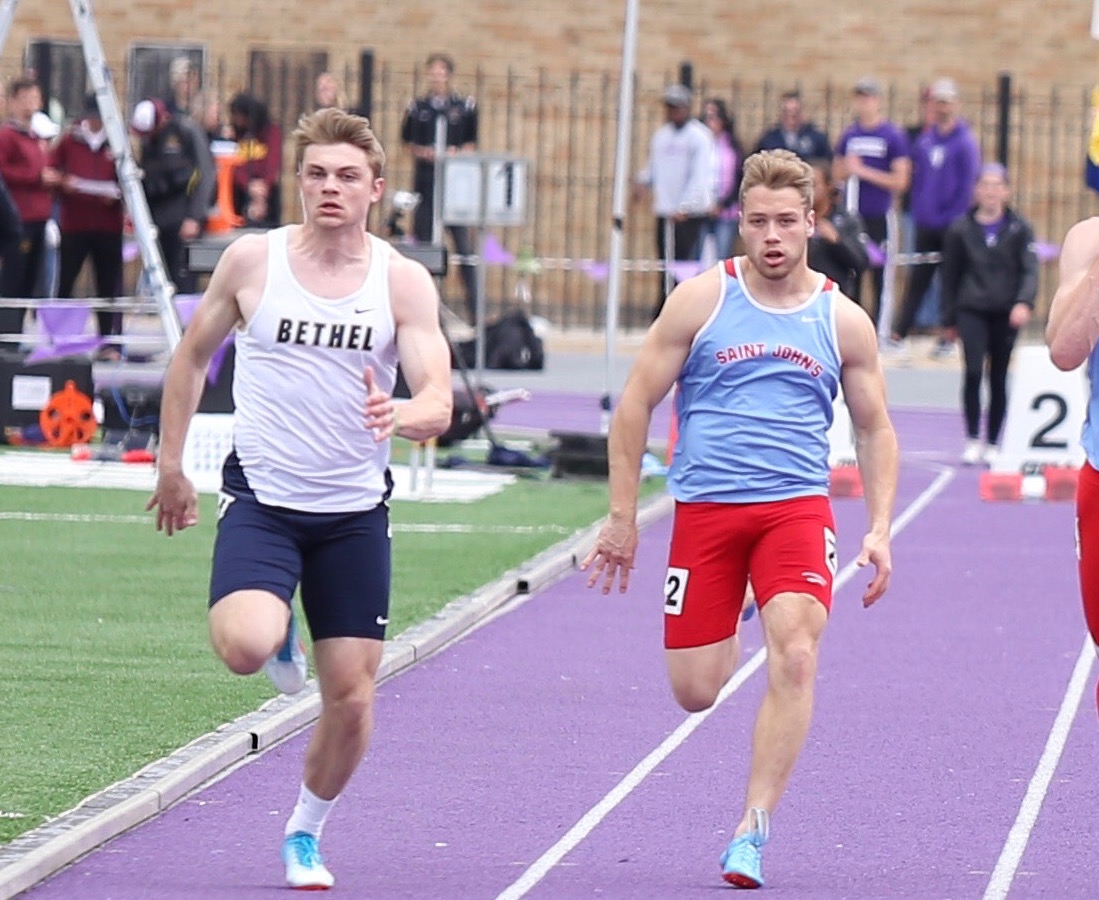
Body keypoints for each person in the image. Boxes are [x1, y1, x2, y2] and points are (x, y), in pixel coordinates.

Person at [146, 107, 454, 889]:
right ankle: (277, 623)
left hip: (353, 514)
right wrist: (171, 466)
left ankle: (304, 834)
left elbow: (439, 399)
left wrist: (402, 412)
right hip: (266, 500)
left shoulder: (400, 280)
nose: (330, 187)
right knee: (246, 645)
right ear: (299, 181)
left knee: (351, 701)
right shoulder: (254, 262)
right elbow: (189, 360)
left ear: (375, 189)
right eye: (316, 172)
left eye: (348, 175)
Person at [582, 149, 898, 889]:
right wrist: (621, 518)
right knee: (694, 691)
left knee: (794, 652)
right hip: (707, 513)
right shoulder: (700, 301)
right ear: (741, 224)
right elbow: (633, 404)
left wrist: (879, 526)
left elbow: (875, 427)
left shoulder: (842, 320)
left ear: (811, 224)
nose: (773, 237)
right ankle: (739, 599)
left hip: (794, 509)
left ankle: (751, 827)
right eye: (758, 222)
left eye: (787, 221)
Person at [941, 162, 1037, 467]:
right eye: (985, 185)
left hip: (1005, 311)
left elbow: (1029, 270)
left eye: (997, 186)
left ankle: (994, 440)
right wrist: (948, 318)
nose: (991, 192)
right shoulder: (960, 229)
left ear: (1006, 192)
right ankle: (971, 437)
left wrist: (1024, 302)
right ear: (976, 190)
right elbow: (950, 275)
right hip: (972, 308)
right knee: (972, 371)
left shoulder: (1020, 229)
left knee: (998, 376)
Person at [891, 78, 980, 353]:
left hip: (952, 224)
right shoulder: (926, 141)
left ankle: (949, 336)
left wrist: (954, 217)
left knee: (951, 281)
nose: (942, 107)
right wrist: (921, 212)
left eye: (947, 101)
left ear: (956, 104)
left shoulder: (965, 142)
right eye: (937, 102)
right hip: (926, 222)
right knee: (917, 279)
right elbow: (918, 181)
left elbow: (967, 185)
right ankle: (899, 334)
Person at [399, 52, 479, 323]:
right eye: (432, 72)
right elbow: (407, 142)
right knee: (423, 248)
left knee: (464, 249)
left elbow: (471, 143)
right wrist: (425, 152)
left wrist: (455, 154)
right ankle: (425, 309)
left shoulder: (463, 107)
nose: (436, 77)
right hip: (426, 182)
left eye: (441, 72)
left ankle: (475, 313)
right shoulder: (418, 108)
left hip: (454, 186)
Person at [50, 94, 125, 357]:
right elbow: (51, 171)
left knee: (108, 285)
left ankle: (110, 343)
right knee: (66, 281)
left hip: (108, 226)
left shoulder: (117, 140)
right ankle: (58, 338)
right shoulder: (70, 140)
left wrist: (117, 195)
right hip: (75, 223)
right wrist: (63, 182)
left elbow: (129, 179)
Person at [833, 77, 910, 328]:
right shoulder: (849, 135)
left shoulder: (892, 136)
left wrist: (864, 171)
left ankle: (881, 330)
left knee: (881, 277)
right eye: (860, 98)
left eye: (868, 98)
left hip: (879, 215)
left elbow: (901, 180)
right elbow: (836, 173)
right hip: (854, 216)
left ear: (877, 101)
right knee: (852, 272)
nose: (863, 103)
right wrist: (848, 169)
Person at [633, 83, 715, 319]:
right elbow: (655, 167)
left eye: (677, 107)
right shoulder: (661, 136)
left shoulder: (699, 136)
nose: (673, 112)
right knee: (665, 263)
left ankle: (682, 310)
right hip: (665, 209)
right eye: (669, 107)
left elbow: (700, 175)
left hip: (689, 214)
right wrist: (642, 181)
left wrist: (685, 206)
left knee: (685, 265)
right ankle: (667, 308)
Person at [0, 75, 61, 345]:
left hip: (39, 217)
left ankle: (17, 335)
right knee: (14, 280)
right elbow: (4, 171)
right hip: (17, 219)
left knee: (31, 283)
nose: (30, 104)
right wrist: (36, 176)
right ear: (12, 101)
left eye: (34, 98)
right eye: (24, 98)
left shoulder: (36, 136)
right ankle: (6, 336)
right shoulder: (7, 135)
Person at [131, 97, 214, 290]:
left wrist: (194, 216)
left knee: (183, 278)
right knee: (161, 280)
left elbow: (206, 174)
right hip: (157, 219)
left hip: (182, 217)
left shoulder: (185, 131)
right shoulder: (147, 142)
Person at [807, 158, 869, 299]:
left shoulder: (847, 221)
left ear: (828, 186)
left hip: (838, 300)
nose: (807, 191)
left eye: (813, 185)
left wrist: (837, 241)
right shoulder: (795, 221)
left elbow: (861, 262)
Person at [228, 93, 283, 228]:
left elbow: (273, 161)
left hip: (267, 189)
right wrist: (248, 184)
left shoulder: (271, 131)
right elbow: (233, 162)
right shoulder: (235, 134)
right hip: (242, 189)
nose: (237, 120)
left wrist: (264, 188)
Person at [699, 97, 744, 261]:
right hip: (700, 210)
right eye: (706, 117)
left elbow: (738, 179)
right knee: (698, 259)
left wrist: (721, 204)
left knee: (722, 256)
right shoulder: (698, 144)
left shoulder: (732, 146)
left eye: (714, 117)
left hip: (726, 211)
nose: (710, 122)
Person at [754, 90, 831, 162]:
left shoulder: (817, 138)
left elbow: (826, 164)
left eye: (795, 112)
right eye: (786, 112)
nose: (791, 116)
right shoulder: (769, 139)